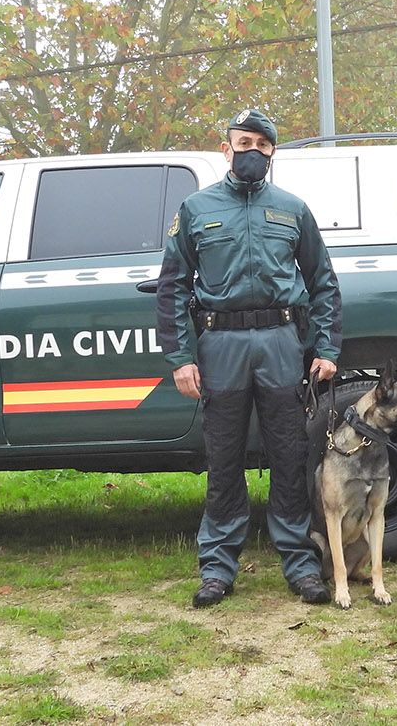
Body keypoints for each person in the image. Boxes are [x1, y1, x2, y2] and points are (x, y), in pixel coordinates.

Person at [156, 109, 342, 607]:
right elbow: (172, 287)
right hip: (220, 347)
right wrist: (181, 357)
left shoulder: (293, 209)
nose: (252, 151)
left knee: (289, 455)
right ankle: (217, 567)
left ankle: (301, 565)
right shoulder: (196, 209)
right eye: (244, 142)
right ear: (227, 148)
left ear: (273, 151)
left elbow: (323, 282)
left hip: (282, 342)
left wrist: (325, 348)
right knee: (223, 459)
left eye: (262, 144)